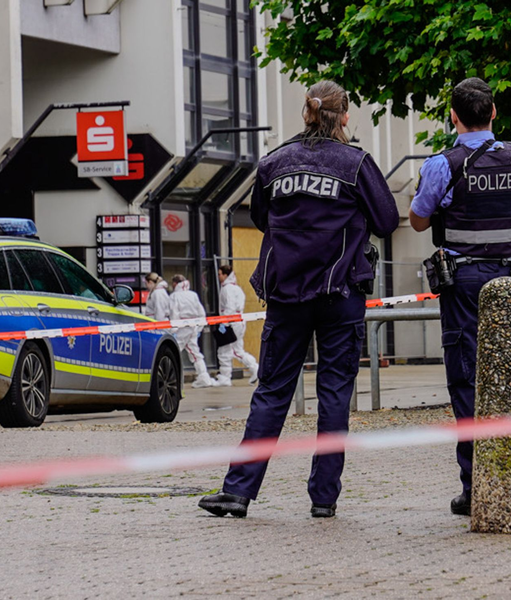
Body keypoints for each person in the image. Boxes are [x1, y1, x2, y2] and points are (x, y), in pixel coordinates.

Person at [199, 80, 399, 519]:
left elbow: (260, 216)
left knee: (271, 391)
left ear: (306, 112)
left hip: (287, 294)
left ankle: (237, 492)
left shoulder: (274, 162)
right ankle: (323, 499)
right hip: (340, 292)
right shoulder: (356, 163)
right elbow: (387, 220)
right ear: (344, 116)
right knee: (334, 394)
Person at [408, 77, 511, 517]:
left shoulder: (442, 164)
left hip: (465, 284)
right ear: (493, 113)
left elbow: (416, 221)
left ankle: (476, 487)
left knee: (467, 378)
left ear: (453, 116)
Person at [211, 264, 259, 387]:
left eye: (220, 274)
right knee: (237, 350)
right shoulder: (236, 288)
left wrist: (224, 322)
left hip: (232, 322)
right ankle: (254, 368)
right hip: (238, 321)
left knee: (225, 350)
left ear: (226, 275)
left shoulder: (227, 289)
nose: (219, 276)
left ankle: (225, 376)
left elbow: (230, 307)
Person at [170, 274, 213, 389]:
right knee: (195, 352)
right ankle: (204, 377)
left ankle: (172, 377)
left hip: (182, 327)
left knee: (173, 350)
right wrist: (199, 327)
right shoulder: (193, 295)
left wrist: (172, 329)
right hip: (193, 325)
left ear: (175, 283)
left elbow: (174, 313)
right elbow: (201, 311)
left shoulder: (175, 296)